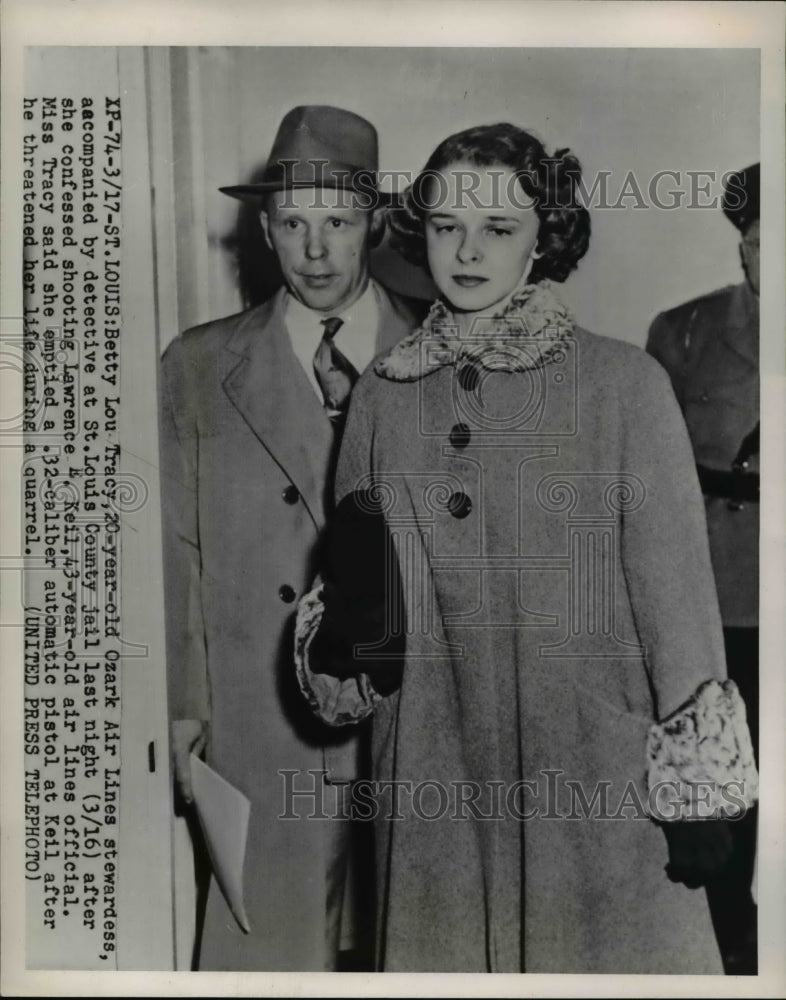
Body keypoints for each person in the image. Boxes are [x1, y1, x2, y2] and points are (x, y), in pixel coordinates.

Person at [294, 124, 758, 973]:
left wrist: (698, 793)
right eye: (446, 228)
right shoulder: (384, 400)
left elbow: (678, 598)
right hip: (435, 770)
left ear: (544, 234)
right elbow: (361, 609)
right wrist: (355, 636)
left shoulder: (623, 386)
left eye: (498, 229)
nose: (467, 252)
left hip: (591, 773)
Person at [159, 105, 424, 971]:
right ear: (266, 228)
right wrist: (186, 703)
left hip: (418, 711)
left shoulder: (443, 350)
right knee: (267, 951)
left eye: (339, 223)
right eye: (295, 224)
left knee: (422, 944)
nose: (316, 252)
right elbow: (175, 550)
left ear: (374, 224)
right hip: (262, 713)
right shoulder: (198, 366)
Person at [646, 163, 760, 974]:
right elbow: (652, 477)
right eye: (759, 244)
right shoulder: (684, 331)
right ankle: (734, 955)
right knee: (724, 790)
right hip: (726, 596)